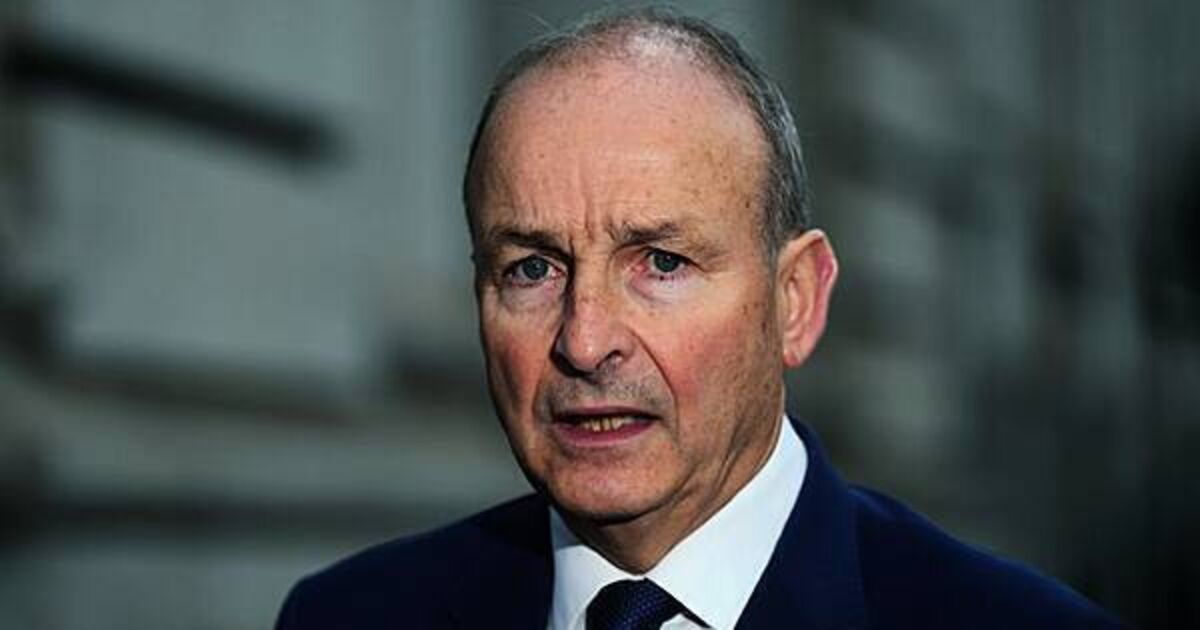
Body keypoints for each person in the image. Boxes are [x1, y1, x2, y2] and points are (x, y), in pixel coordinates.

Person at [275, 8, 1125, 629]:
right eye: (532, 268)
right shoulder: (348, 616)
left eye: (661, 262)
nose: (584, 340)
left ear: (795, 301)